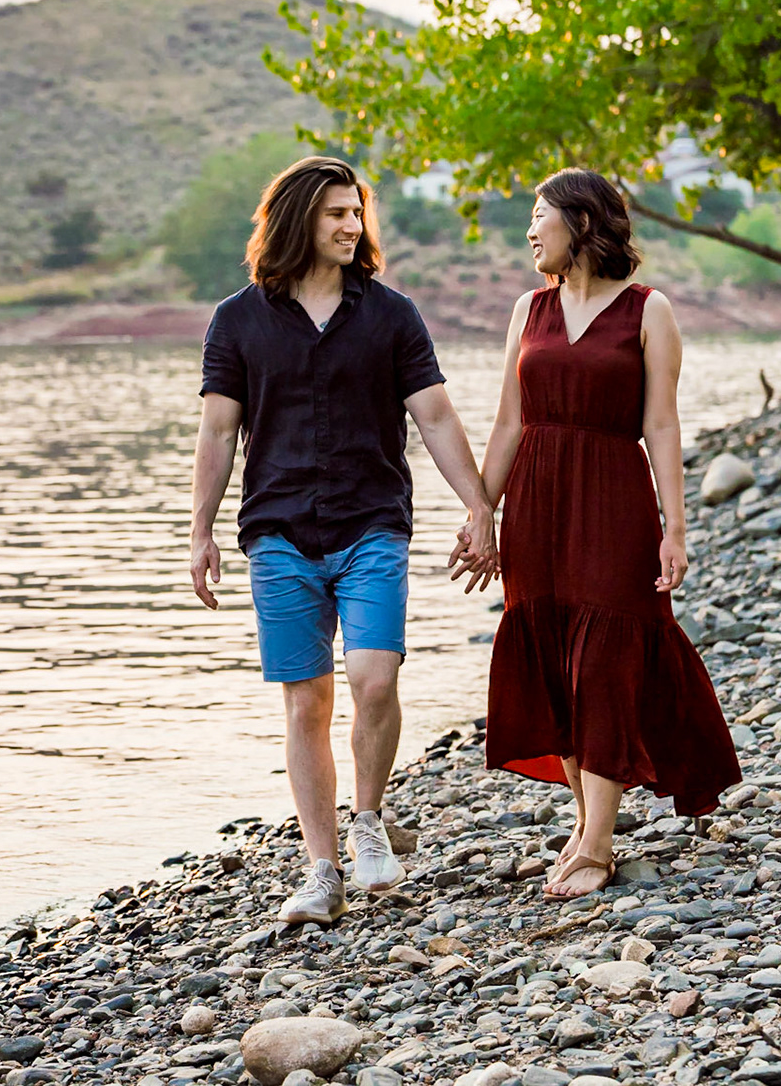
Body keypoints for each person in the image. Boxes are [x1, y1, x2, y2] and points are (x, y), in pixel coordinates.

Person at [189, 155, 499, 925]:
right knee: (306, 702)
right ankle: (320, 868)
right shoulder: (237, 320)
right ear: (297, 219)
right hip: (278, 531)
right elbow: (219, 431)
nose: (351, 225)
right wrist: (200, 531)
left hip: (372, 522)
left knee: (373, 677)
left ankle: (368, 822)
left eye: (356, 213)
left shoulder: (391, 314)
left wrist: (481, 508)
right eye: (336, 213)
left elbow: (433, 417)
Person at [469, 167, 740, 900]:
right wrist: (479, 513)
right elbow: (508, 424)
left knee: (606, 664)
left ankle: (596, 843)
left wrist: (673, 527)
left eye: (538, 215)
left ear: (581, 223)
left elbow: (661, 425)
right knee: (555, 659)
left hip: (613, 501)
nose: (529, 230)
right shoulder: (528, 310)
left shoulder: (649, 312)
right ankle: (585, 825)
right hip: (536, 505)